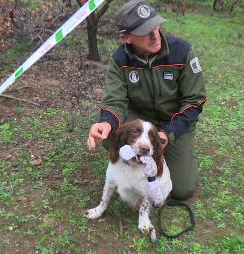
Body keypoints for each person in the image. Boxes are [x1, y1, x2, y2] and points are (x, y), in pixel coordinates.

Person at [87, 0, 206, 200]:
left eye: (155, 26)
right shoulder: (119, 60)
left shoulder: (182, 51)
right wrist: (106, 122)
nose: (155, 35)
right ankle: (132, 168)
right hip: (140, 122)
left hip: (172, 122)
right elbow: (115, 100)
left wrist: (169, 133)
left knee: (182, 190)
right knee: (110, 136)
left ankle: (165, 153)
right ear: (126, 37)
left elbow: (195, 101)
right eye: (145, 31)